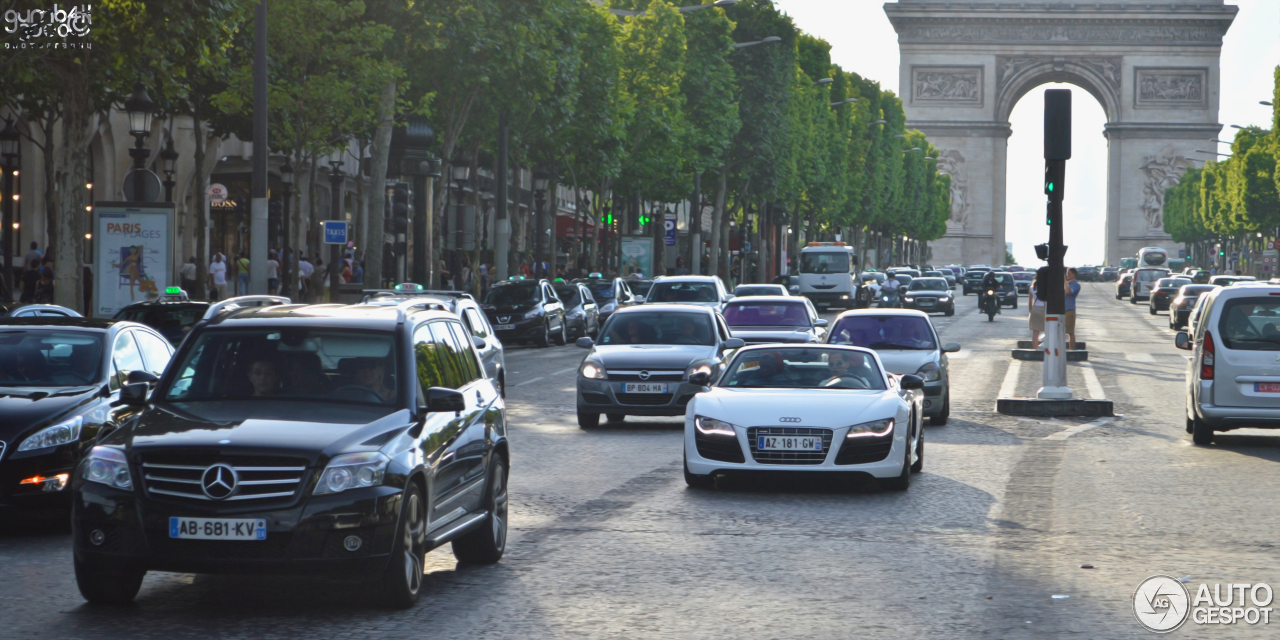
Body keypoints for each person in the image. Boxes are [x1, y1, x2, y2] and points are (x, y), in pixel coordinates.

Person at [1029, 270, 1047, 349]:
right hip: (1044, 308)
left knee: (1035, 331)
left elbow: (1030, 301)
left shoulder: (1032, 287)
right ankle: (1046, 348)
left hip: (1035, 308)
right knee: (1048, 329)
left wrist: (1031, 311)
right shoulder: (1045, 286)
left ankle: (1035, 348)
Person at [1065, 267, 1081, 350]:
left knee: (1070, 332)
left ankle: (1072, 349)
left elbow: (1069, 291)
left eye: (1069, 273)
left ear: (1074, 274)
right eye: (1067, 273)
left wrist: (1064, 282)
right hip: (1061, 310)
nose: (1067, 275)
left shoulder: (1076, 285)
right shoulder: (1065, 283)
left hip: (1069, 310)